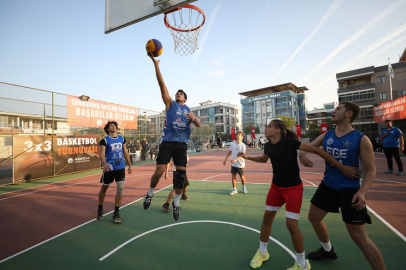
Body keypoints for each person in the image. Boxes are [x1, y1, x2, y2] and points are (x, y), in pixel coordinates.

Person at [238, 119, 360, 270]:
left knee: (291, 225)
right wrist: (247, 157)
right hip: (276, 187)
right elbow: (264, 159)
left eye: (269, 126)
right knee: (267, 218)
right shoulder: (268, 145)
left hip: (293, 189)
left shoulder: (290, 143)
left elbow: (318, 150)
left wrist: (342, 167)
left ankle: (302, 264)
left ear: (277, 130)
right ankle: (262, 253)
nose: (266, 128)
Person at [299, 102, 387, 270]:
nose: (334, 111)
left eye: (338, 109)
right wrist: (302, 154)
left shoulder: (361, 139)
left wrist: (362, 192)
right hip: (328, 185)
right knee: (314, 217)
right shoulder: (327, 135)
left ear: (349, 114)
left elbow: (371, 170)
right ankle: (327, 250)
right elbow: (306, 147)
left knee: (358, 236)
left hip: (350, 189)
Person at [142, 53, 201, 221]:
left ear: (185, 98)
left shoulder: (189, 110)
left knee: (181, 177)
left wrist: (194, 118)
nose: (178, 93)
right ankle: (150, 193)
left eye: (181, 93)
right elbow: (162, 84)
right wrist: (156, 64)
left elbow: (199, 126)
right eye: (177, 92)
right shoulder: (170, 104)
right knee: (159, 172)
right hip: (167, 143)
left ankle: (176, 203)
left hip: (182, 145)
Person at [97, 121, 132, 223]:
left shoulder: (122, 138)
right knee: (104, 188)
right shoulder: (104, 140)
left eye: (114, 125)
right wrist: (104, 165)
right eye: (111, 125)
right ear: (107, 129)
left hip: (120, 167)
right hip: (109, 168)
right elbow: (102, 155)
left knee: (120, 189)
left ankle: (116, 212)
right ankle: (100, 208)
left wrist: (129, 165)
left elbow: (125, 152)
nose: (113, 127)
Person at [223, 131, 247, 195]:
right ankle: (234, 189)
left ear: (242, 137)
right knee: (233, 176)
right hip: (233, 163)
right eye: (237, 134)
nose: (238, 135)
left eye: (239, 134)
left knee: (242, 176)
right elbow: (229, 152)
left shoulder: (243, 145)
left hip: (240, 164)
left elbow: (242, 155)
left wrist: (236, 159)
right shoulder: (232, 144)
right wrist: (225, 159)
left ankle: (244, 187)